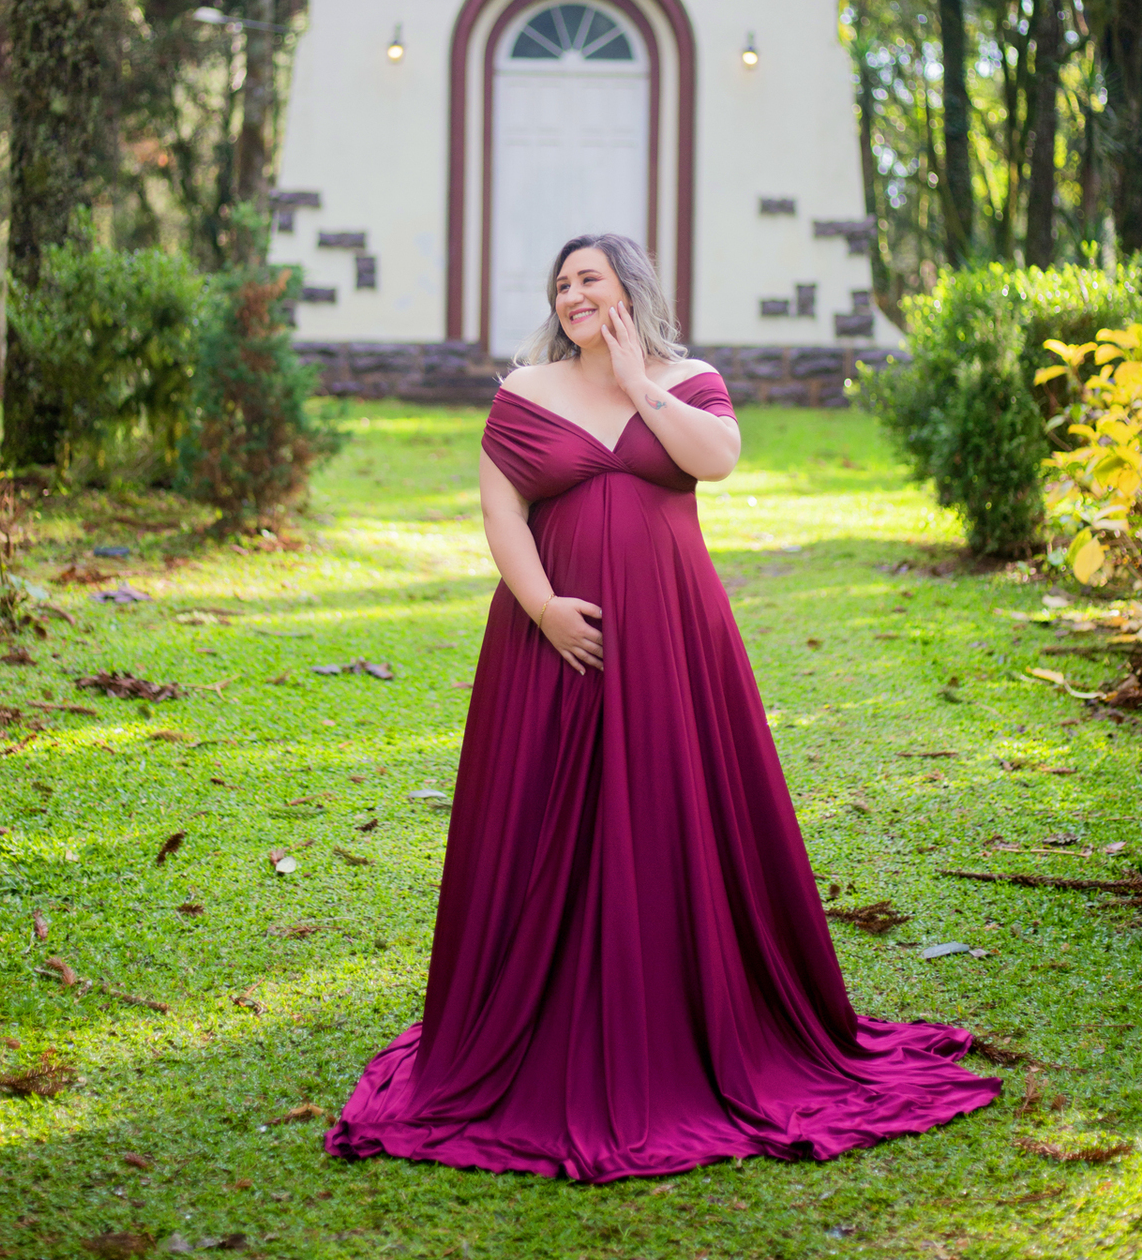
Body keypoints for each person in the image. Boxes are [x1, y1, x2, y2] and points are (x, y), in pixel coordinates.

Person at [325, 234, 1000, 1181]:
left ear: (628, 289)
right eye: (561, 283)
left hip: (674, 636)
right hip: (551, 642)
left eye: (589, 279)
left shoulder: (690, 381)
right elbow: (501, 512)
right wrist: (544, 607)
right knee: (545, 817)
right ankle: (543, 1014)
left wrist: (640, 381)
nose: (572, 294)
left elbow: (715, 461)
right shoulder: (526, 391)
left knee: (670, 805)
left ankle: (687, 1010)